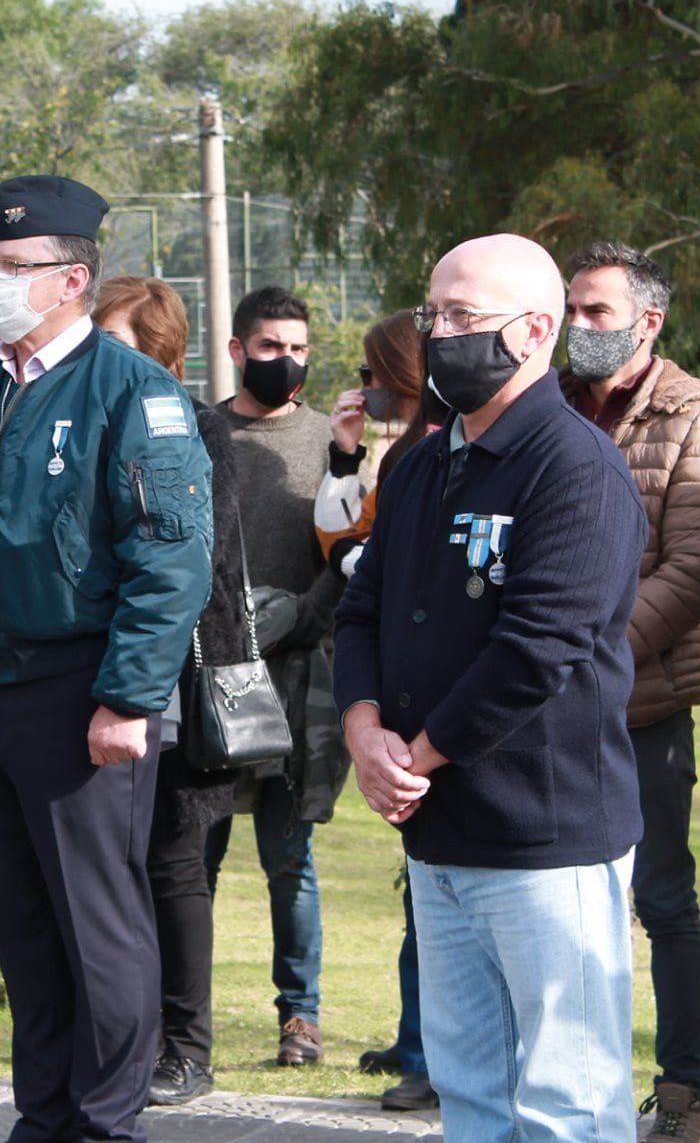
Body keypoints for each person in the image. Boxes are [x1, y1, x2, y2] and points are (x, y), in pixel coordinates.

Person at [0, 176, 212, 1143]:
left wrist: (127, 695)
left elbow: (170, 559)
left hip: (85, 693)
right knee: (24, 926)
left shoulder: (134, 395)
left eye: (11, 267)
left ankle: (107, 1120)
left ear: (72, 278)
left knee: (98, 924)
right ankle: (46, 1115)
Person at [334, 233, 645, 1141]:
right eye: (434, 313)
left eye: (464, 316)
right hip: (438, 837)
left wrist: (416, 757)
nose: (439, 335)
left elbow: (538, 649)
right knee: (471, 1095)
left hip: (544, 835)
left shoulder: (576, 467)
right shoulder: (425, 464)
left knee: (567, 1105)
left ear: (536, 330)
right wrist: (363, 731)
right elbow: (362, 611)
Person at [560, 242, 700, 1142]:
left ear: (648, 321)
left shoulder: (696, 412)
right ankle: (565, 1083)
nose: (578, 327)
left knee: (663, 902)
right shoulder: (540, 403)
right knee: (553, 904)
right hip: (543, 707)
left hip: (643, 702)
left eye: (597, 312)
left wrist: (596, 655)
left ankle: (681, 1097)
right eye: (571, 308)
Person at [93, 275, 246, 1110]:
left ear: (159, 353)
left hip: (177, 680)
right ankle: (129, 1040)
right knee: (115, 867)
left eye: (114, 342)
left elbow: (199, 556)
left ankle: (186, 1048)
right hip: (96, 681)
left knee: (172, 860)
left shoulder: (198, 427)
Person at [315, 309, 445, 1114]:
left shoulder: (435, 449)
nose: (366, 388)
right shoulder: (397, 454)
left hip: (434, 705)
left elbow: (362, 555)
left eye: (374, 374)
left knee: (438, 895)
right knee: (419, 889)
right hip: (393, 687)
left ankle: (434, 1052)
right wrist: (343, 456)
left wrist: (364, 558)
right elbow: (332, 537)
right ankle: (414, 1037)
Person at [201, 285, 334, 1070]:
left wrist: (301, 616)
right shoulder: (202, 429)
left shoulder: (328, 440)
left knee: (290, 859)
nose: (285, 361)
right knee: (198, 855)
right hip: (212, 674)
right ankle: (186, 1017)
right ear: (237, 348)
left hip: (296, 679)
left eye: (297, 349)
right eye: (270, 346)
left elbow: (351, 555)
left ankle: (301, 1016)